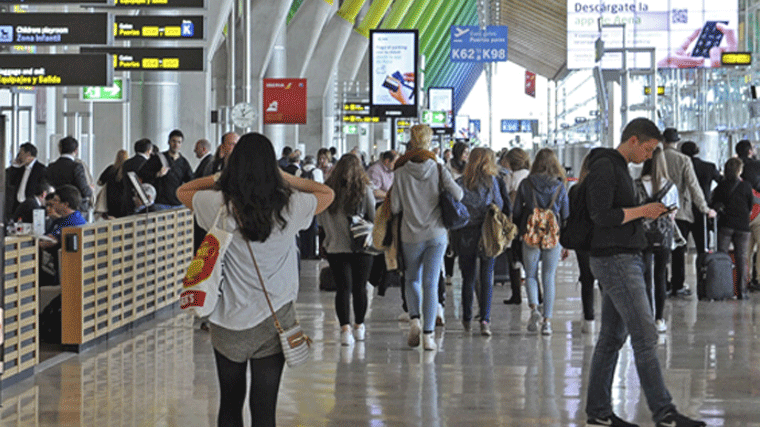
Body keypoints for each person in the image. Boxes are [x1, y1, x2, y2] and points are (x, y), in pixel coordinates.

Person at [176, 132, 334, 427]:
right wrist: (283, 176)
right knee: (264, 409)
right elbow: (326, 193)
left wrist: (224, 177)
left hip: (227, 319)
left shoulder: (218, 203)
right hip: (275, 317)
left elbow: (183, 191)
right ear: (271, 165)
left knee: (230, 403)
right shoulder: (290, 205)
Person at [584, 118, 706, 427]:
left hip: (623, 257)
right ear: (634, 140)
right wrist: (644, 211)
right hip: (616, 260)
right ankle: (664, 412)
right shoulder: (606, 167)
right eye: (649, 149)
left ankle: (599, 412)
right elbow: (601, 215)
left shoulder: (619, 168)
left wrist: (645, 210)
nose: (650, 157)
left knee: (612, 336)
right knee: (645, 334)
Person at [391, 124, 463, 352]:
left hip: (410, 234)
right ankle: (429, 336)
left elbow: (394, 207)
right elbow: (459, 195)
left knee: (412, 279)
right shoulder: (439, 168)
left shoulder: (400, 171)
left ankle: (414, 320)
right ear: (429, 142)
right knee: (431, 283)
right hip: (437, 234)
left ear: (410, 142)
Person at [319, 154, 376, 346]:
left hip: (335, 246)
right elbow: (373, 216)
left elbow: (321, 220)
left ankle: (345, 330)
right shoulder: (364, 189)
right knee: (360, 288)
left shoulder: (328, 191)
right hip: (361, 247)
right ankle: (359, 326)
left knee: (343, 288)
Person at [512, 148, 569, 336]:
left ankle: (534, 308)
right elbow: (566, 214)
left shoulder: (526, 184)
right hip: (553, 235)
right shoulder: (560, 186)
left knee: (530, 274)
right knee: (548, 276)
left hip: (531, 233)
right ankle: (547, 322)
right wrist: (566, 242)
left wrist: (520, 227)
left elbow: (517, 211)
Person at [453, 147, 504, 336]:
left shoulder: (460, 182)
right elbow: (499, 204)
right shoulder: (491, 182)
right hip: (487, 232)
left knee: (468, 277)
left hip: (465, 232)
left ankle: (466, 318)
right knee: (486, 276)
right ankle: (485, 320)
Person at [662, 128, 716, 298]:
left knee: (661, 250)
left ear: (663, 141)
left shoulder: (655, 158)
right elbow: (694, 187)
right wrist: (705, 208)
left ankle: (663, 284)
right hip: (680, 212)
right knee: (679, 249)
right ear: (677, 142)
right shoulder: (684, 160)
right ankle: (678, 285)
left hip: (658, 211)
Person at [635, 147, 679, 333]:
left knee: (645, 277)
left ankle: (646, 317)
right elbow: (673, 214)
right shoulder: (670, 186)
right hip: (663, 236)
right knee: (661, 276)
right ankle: (659, 319)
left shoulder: (636, 184)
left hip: (642, 236)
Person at [711, 157, 754, 299]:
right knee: (742, 258)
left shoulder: (721, 186)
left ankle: (723, 288)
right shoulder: (746, 186)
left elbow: (714, 203)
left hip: (726, 225)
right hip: (743, 226)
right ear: (739, 170)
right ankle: (742, 292)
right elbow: (750, 205)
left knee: (722, 256)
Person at [569, 154, 599, 334]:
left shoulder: (575, 190)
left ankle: (589, 319)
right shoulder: (605, 189)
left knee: (586, 279)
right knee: (605, 280)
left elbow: (571, 217)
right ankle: (609, 319)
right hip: (601, 239)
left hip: (582, 240)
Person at [502, 147, 531, 305]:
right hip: (528, 222)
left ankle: (516, 294)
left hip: (513, 222)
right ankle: (537, 292)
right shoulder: (530, 176)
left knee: (513, 258)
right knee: (528, 260)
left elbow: (505, 200)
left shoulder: (510, 178)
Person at [137, 129, 194, 208]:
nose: (176, 144)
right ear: (168, 142)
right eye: (173, 141)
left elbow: (191, 180)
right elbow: (142, 173)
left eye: (179, 142)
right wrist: (157, 174)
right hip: (160, 203)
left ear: (181, 144)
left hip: (177, 203)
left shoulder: (184, 162)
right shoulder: (158, 158)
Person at [442, 141, 469, 285]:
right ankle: (448, 274)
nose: (466, 156)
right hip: (451, 207)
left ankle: (464, 271)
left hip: (465, 208)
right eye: (464, 152)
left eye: (467, 153)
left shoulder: (469, 168)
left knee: (463, 242)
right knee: (450, 243)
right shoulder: (446, 168)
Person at [45, 136, 93, 212]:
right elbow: (84, 190)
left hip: (57, 206)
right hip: (76, 207)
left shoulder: (51, 166)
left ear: (60, 149)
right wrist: (90, 190)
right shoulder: (76, 166)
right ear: (76, 150)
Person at [5, 142, 46, 221]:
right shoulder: (20, 169)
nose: (19, 156)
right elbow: (8, 177)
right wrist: (15, 165)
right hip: (18, 205)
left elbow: (41, 188)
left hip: (32, 207)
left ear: (28, 154)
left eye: (21, 153)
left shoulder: (41, 169)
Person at [97, 149, 128, 219]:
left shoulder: (111, 169)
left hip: (110, 201)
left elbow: (99, 182)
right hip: (123, 202)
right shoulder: (127, 170)